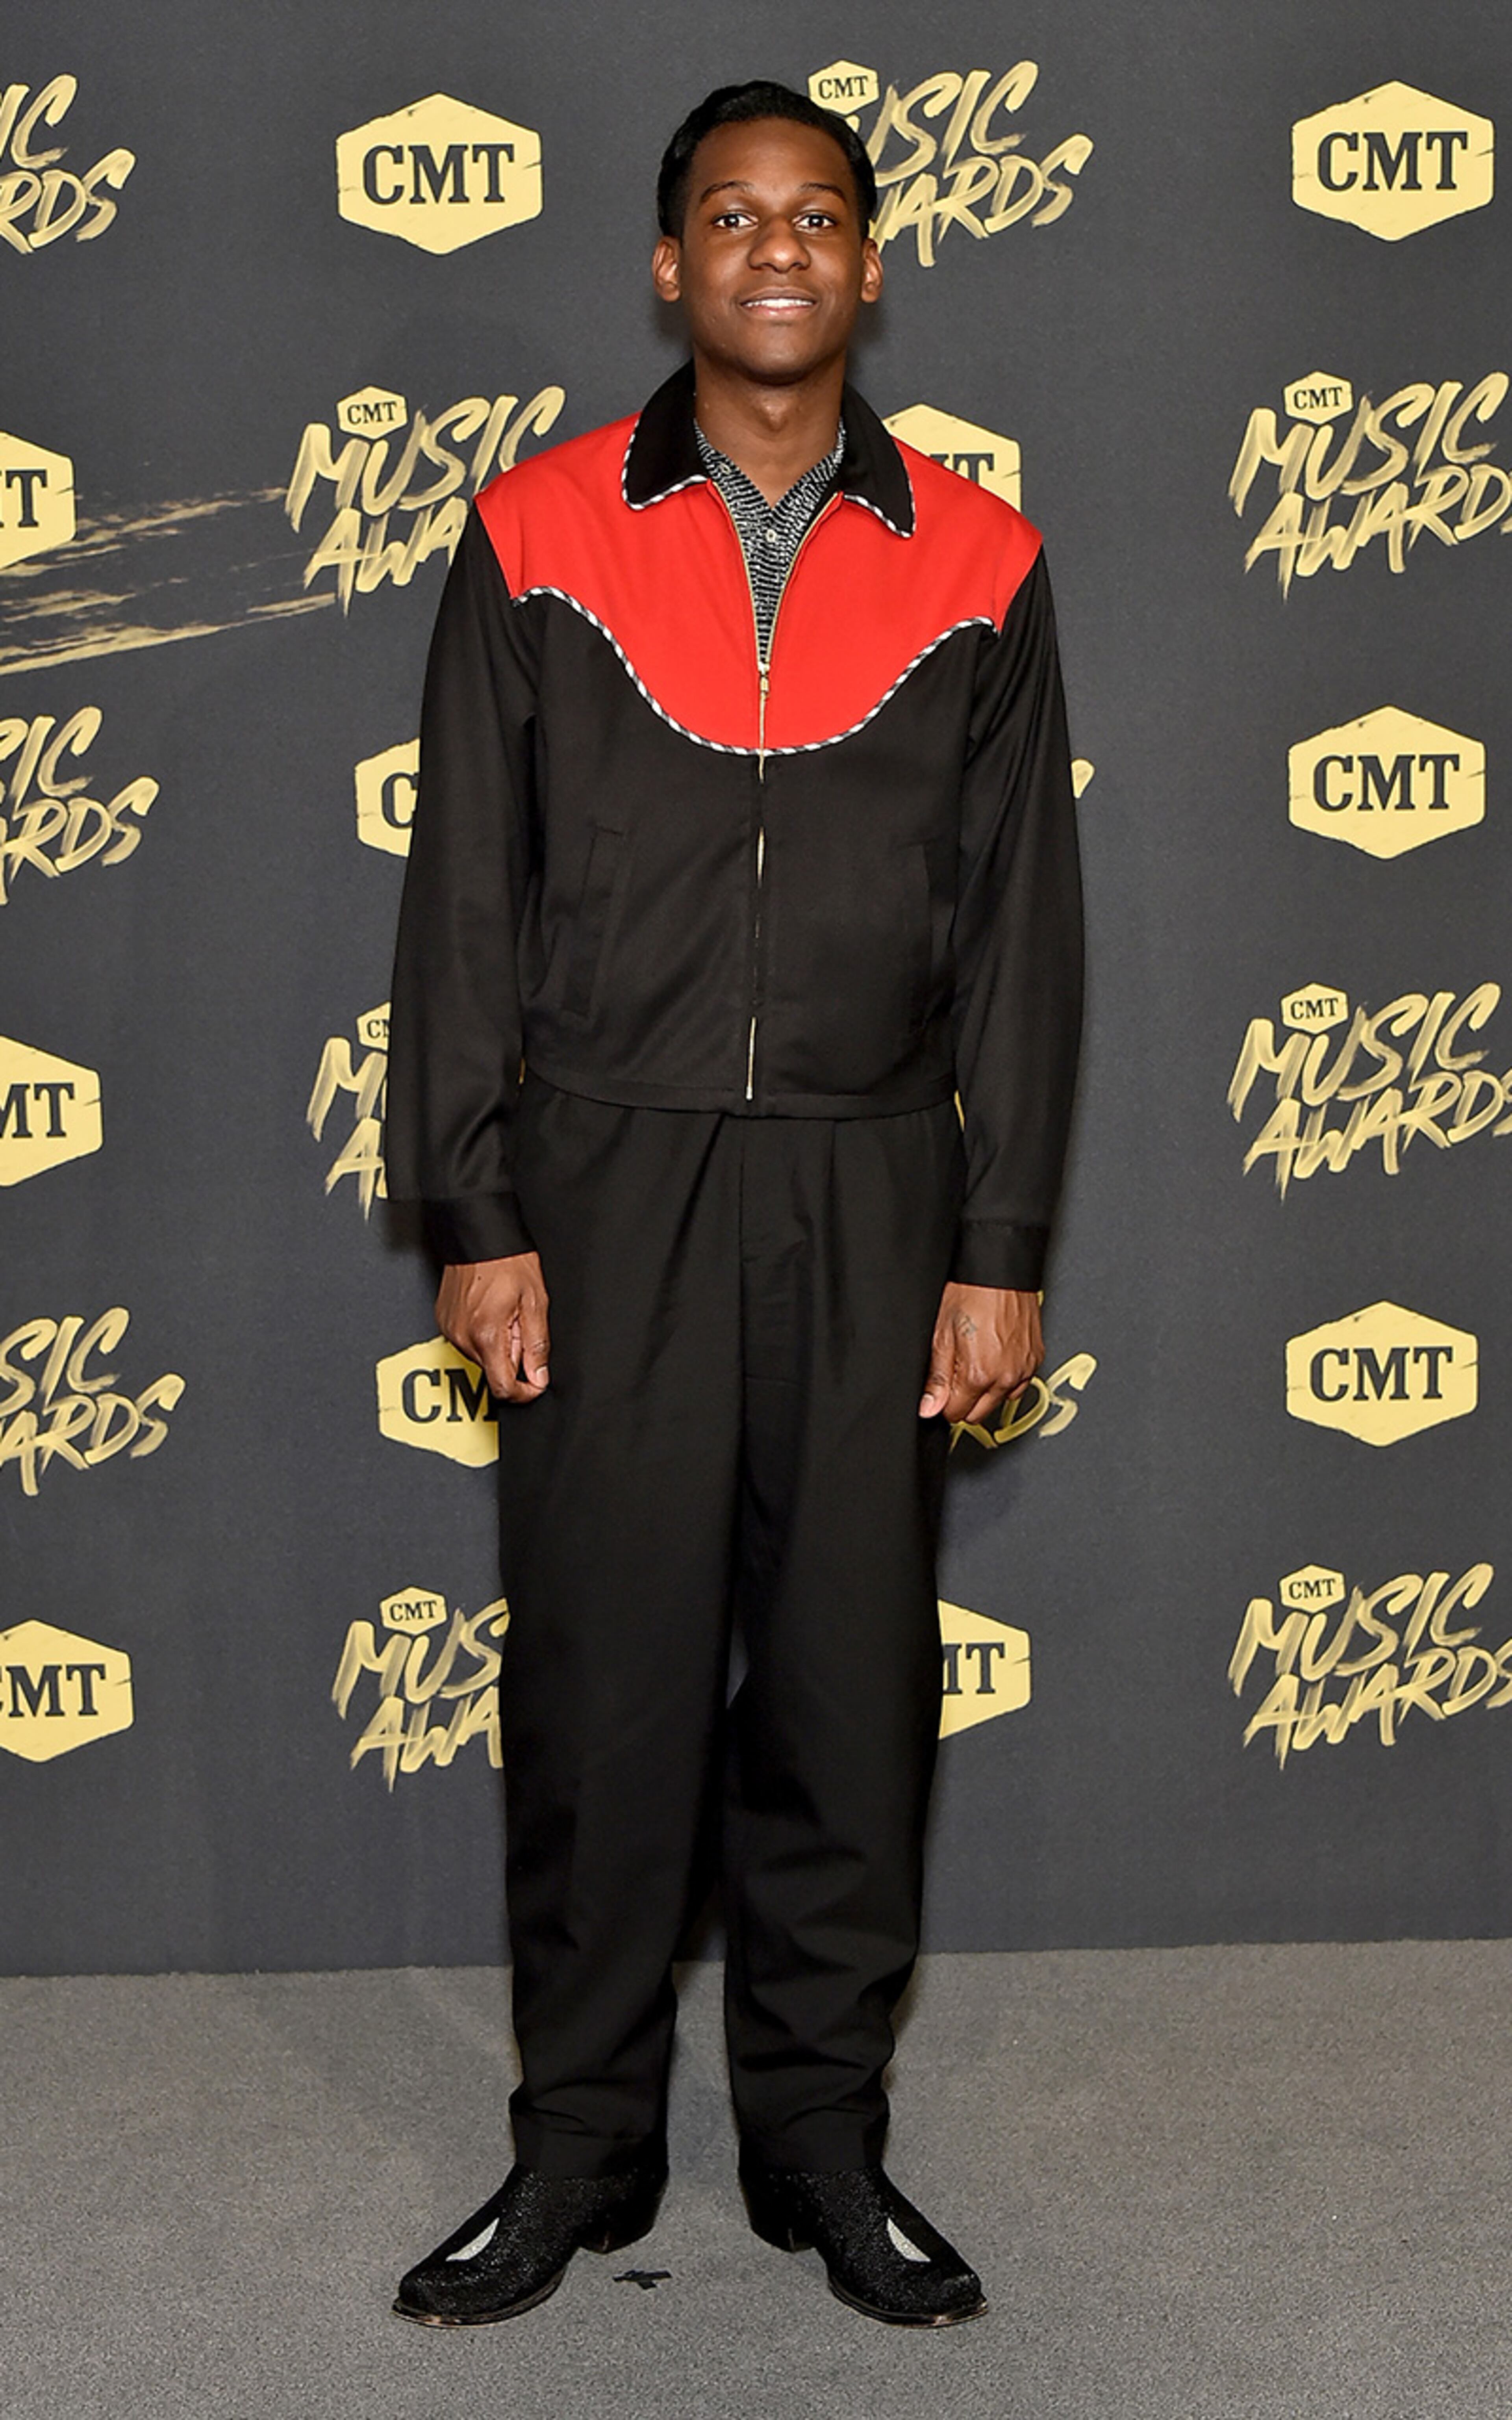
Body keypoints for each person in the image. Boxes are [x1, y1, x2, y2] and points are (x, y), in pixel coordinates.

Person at [383, 78, 1082, 2331]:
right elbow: (461, 896)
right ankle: (576, 2149)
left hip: (880, 1184)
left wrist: (999, 1247)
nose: (777, 247)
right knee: (603, 1689)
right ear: (671, 263)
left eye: (817, 215)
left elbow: (1026, 936)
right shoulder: (532, 531)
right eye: (731, 213)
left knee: (852, 1695)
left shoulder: (983, 557)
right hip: (606, 1177)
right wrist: (478, 1206)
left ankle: (823, 2144)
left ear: (871, 263)